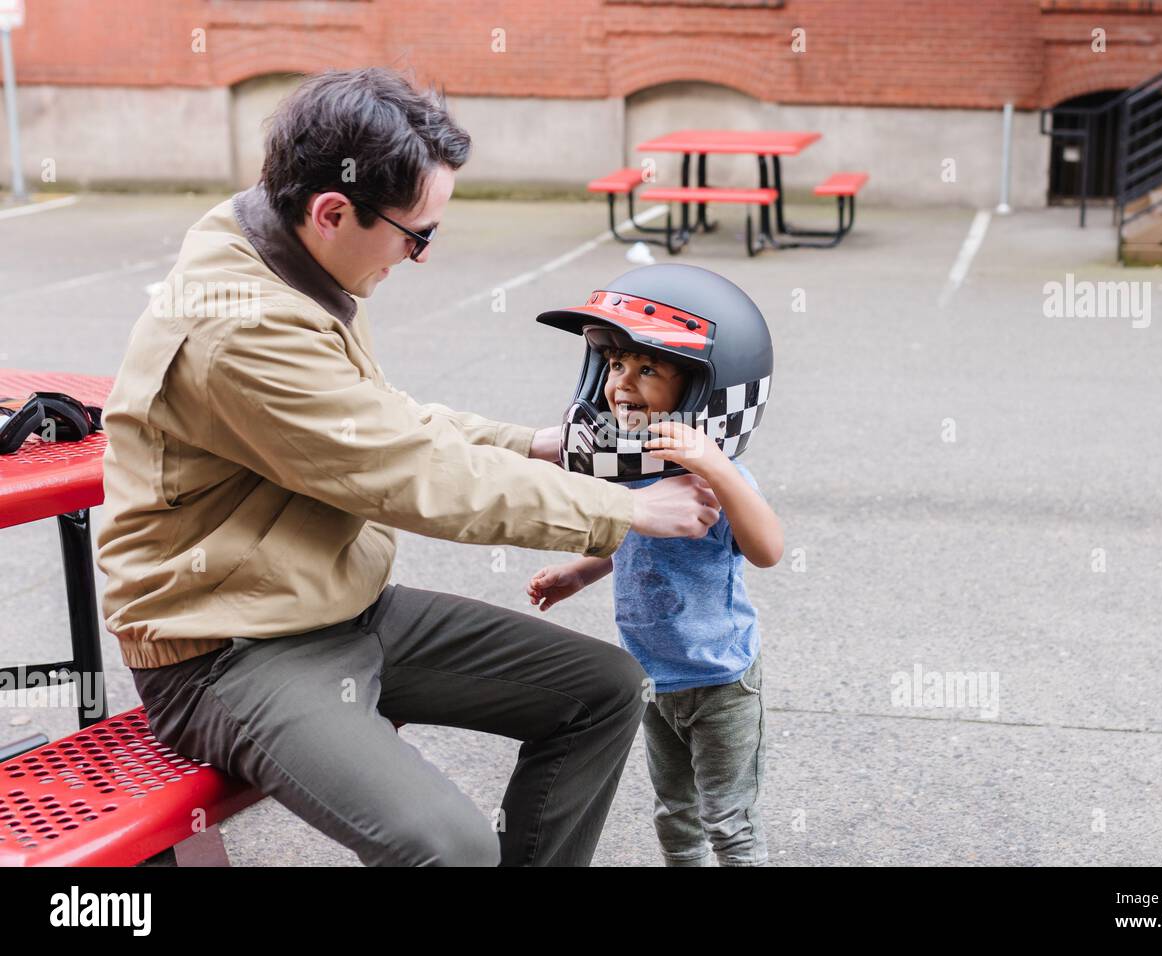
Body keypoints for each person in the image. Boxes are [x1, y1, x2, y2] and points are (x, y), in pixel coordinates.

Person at [93, 67, 722, 867]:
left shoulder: (283, 255)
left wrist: (533, 442)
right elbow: (411, 475)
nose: (420, 256)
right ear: (332, 210)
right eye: (416, 234)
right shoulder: (243, 329)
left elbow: (380, 421)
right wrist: (629, 512)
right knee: (448, 848)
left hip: (335, 607)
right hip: (230, 651)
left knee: (602, 688)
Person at [526, 265, 782, 865]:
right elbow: (633, 544)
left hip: (720, 681)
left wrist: (715, 467)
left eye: (647, 368)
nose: (622, 383)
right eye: (615, 365)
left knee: (728, 817)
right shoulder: (637, 477)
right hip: (652, 678)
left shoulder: (714, 481)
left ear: (700, 387)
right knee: (675, 812)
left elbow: (768, 550)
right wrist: (580, 571)